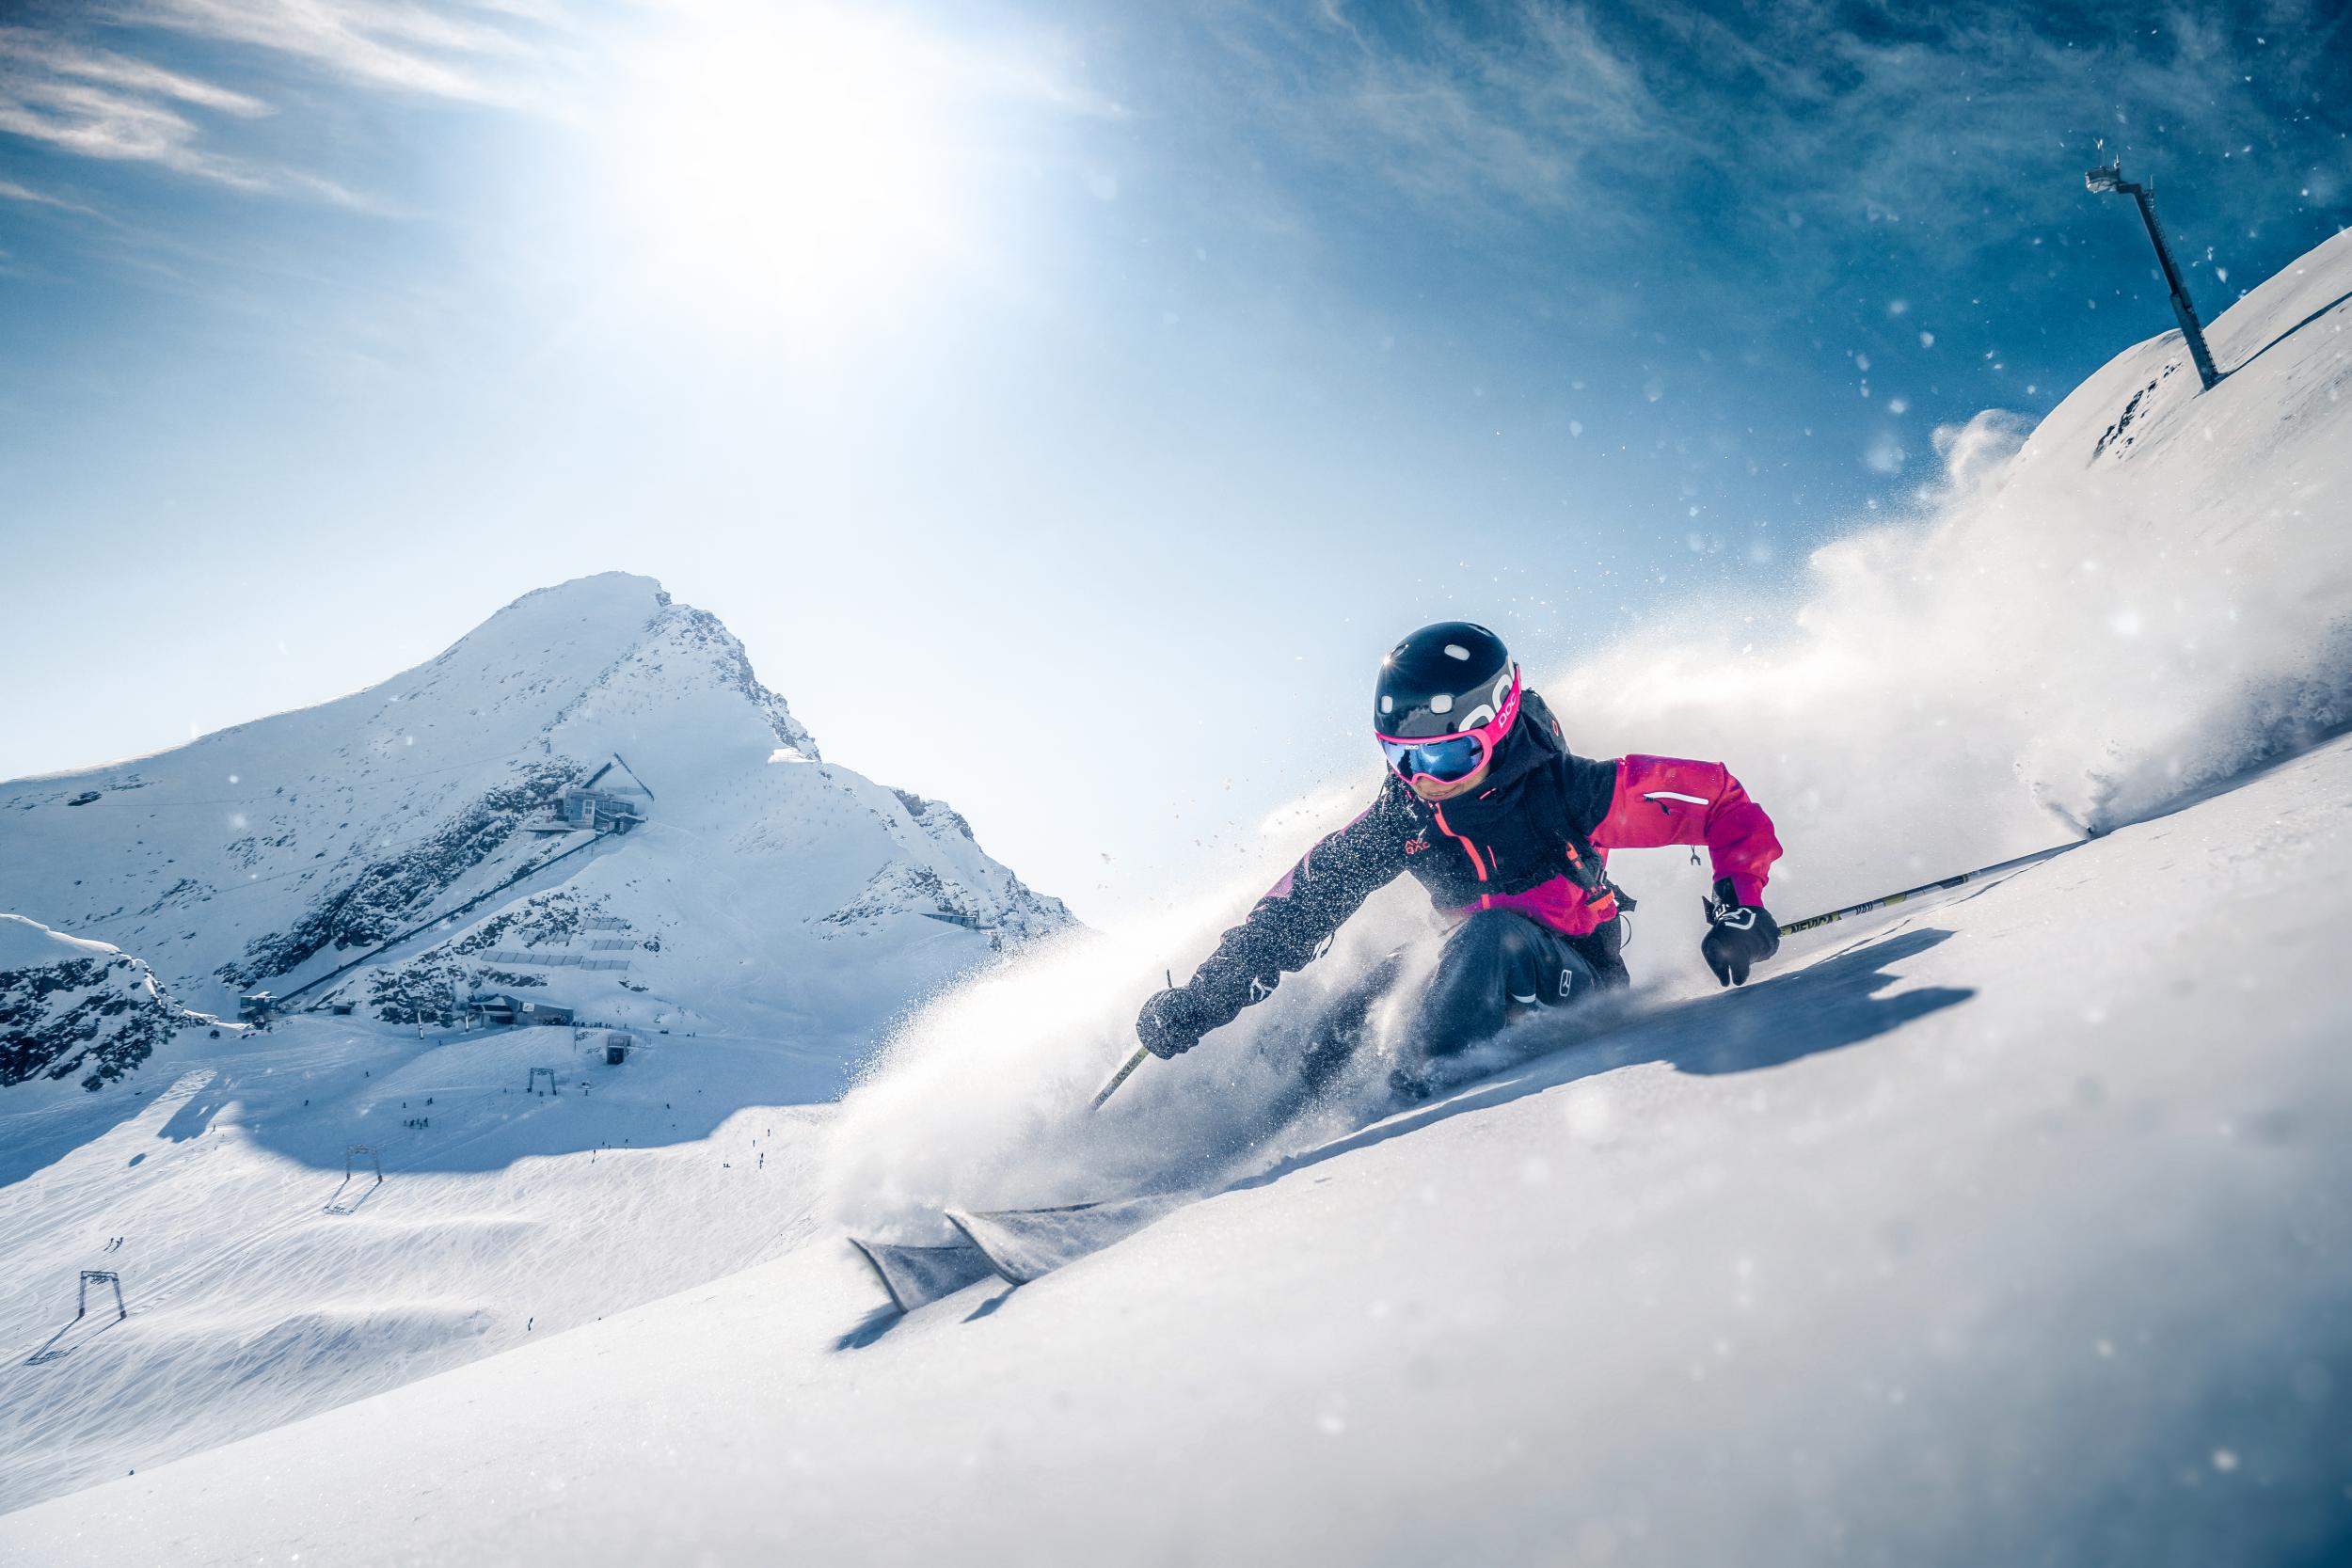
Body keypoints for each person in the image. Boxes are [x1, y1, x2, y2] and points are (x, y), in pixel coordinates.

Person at [1134, 622, 1785, 1084]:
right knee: (1374, 989)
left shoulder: (1569, 792)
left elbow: (1721, 803)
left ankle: (1416, 1102)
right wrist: (1203, 999)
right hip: (1467, 974)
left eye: (1448, 756)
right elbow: (1298, 907)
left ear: (1494, 727)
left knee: (1490, 939)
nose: (1424, 778)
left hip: (1573, 975)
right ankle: (1283, 1130)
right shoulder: (1403, 817)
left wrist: (1742, 905)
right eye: (1402, 757)